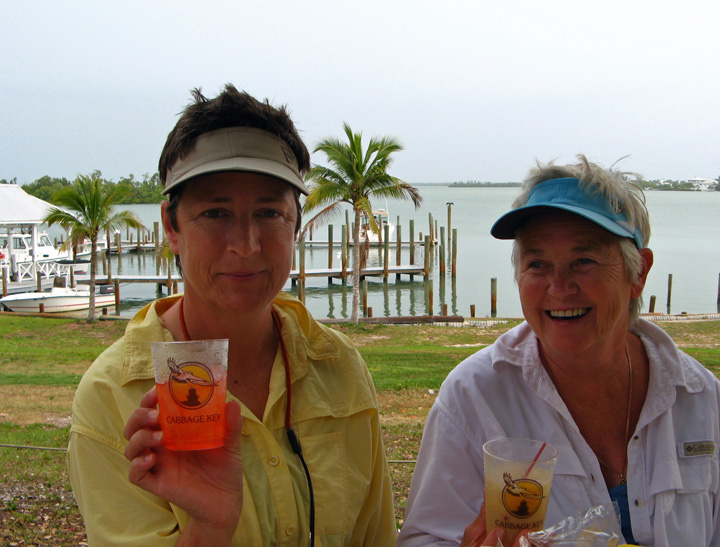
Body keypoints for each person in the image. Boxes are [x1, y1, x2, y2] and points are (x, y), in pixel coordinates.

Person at [67, 84, 397, 546]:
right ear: (171, 225)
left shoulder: (339, 367)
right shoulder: (113, 400)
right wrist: (207, 528)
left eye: (268, 212)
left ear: (296, 223)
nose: (246, 244)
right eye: (216, 212)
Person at [397, 156, 720, 546]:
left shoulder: (701, 397)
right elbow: (425, 538)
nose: (560, 286)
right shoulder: (474, 396)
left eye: (584, 261)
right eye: (537, 264)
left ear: (639, 274)